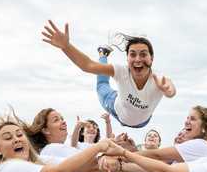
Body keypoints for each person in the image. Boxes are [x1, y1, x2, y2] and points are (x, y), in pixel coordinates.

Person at [41, 20, 176, 128]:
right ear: (127, 59)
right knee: (102, 84)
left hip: (142, 122)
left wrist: (168, 90)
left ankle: (104, 53)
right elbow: (88, 65)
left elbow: (170, 90)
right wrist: (66, 46)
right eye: (132, 54)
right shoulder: (122, 71)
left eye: (143, 54)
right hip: (114, 106)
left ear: (151, 58)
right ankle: (103, 54)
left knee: (106, 81)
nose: (138, 59)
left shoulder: (159, 79)